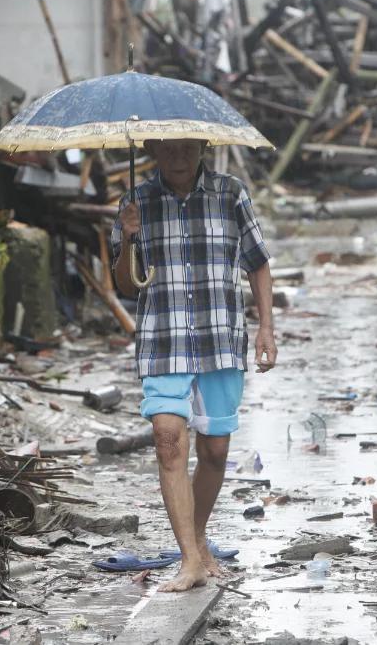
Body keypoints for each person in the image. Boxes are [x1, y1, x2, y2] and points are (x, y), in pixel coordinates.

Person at [111, 138, 276, 592]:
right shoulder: (135, 201)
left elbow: (258, 264)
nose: (179, 156)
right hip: (163, 340)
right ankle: (189, 560)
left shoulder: (230, 193)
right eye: (169, 148)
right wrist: (127, 238)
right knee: (167, 440)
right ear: (151, 150)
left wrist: (266, 329)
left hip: (220, 338)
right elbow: (126, 285)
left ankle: (199, 535)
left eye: (188, 147)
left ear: (203, 146)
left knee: (216, 451)